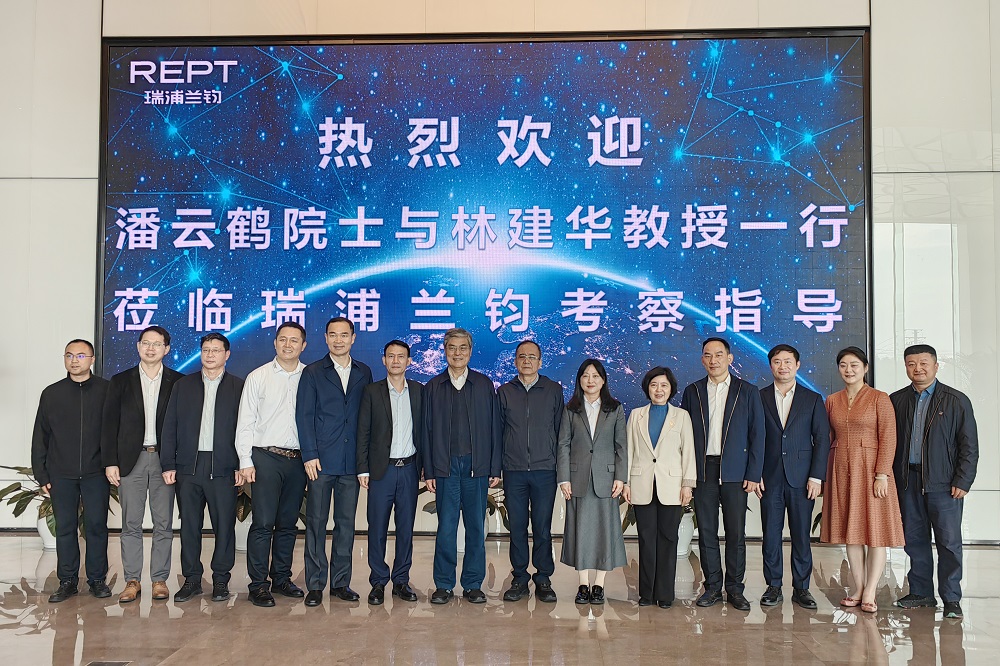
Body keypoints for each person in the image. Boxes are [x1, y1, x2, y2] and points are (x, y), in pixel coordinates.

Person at [890, 344, 978, 619]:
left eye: (924, 363)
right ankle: (921, 593)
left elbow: (969, 446)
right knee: (914, 540)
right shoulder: (897, 400)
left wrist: (963, 479)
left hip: (944, 484)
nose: (918, 368)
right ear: (906, 367)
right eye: (911, 364)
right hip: (908, 482)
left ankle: (951, 598)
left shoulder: (956, 400)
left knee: (949, 543)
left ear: (936, 366)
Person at [680, 337, 764, 611]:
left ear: (729, 358)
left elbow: (758, 435)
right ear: (702, 360)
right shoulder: (693, 392)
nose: (713, 360)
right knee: (706, 532)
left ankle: (735, 589)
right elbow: (685, 437)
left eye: (718, 355)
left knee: (735, 532)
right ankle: (713, 587)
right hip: (704, 469)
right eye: (708, 355)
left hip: (735, 471)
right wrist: (687, 476)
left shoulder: (747, 391)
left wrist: (754, 473)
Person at [101, 325, 183, 603]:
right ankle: (132, 580)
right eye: (146, 343)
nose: (150, 348)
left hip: (164, 461)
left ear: (166, 349)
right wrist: (110, 461)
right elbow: (109, 424)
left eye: (157, 344)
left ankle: (159, 579)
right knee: (131, 523)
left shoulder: (178, 381)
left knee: (163, 523)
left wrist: (176, 462)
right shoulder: (120, 381)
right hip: (130, 460)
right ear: (138, 346)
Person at [160, 333, 244, 603]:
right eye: (206, 350)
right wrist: (168, 464)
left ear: (227, 355)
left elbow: (246, 429)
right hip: (189, 467)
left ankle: (220, 580)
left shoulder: (239, 387)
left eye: (216, 350)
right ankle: (192, 580)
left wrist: (242, 464)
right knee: (189, 526)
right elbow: (169, 426)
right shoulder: (183, 385)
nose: (210, 355)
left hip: (224, 467)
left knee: (224, 526)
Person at [821, 346, 904, 613]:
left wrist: (882, 474)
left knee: (875, 533)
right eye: (843, 365)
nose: (849, 370)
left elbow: (888, 438)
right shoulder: (832, 400)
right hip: (841, 469)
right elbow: (828, 438)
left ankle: (870, 591)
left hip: (871, 471)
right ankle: (857, 588)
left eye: (854, 365)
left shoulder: (880, 398)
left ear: (865, 368)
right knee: (852, 532)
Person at [297, 317, 373, 606]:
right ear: (326, 338)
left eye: (344, 335)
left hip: (351, 462)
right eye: (333, 335)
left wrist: (364, 460)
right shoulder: (313, 372)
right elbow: (304, 416)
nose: (338, 340)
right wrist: (309, 454)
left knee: (346, 524)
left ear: (353, 338)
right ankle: (315, 585)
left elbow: (367, 417)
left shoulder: (364, 372)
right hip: (321, 461)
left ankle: (341, 582)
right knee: (316, 523)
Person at [423, 328, 502, 605]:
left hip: (475, 467)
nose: (457, 353)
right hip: (445, 467)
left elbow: (494, 428)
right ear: (445, 351)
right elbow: (426, 431)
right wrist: (429, 470)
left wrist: (494, 467)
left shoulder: (483, 384)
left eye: (463, 348)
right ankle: (444, 584)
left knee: (475, 528)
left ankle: (472, 584)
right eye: (452, 348)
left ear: (470, 351)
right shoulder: (434, 386)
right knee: (446, 527)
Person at [236, 321, 309, 608]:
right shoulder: (258, 376)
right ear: (275, 343)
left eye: (294, 340)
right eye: (283, 339)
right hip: (265, 458)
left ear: (303, 345)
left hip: (298, 460)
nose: (288, 345)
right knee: (263, 523)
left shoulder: (310, 376)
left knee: (288, 524)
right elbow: (246, 421)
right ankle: (258, 584)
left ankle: (281, 578)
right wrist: (245, 460)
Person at [32, 339, 111, 602]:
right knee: (65, 528)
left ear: (92, 359)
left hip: (96, 472)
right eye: (69, 355)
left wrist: (113, 464)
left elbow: (116, 432)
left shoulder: (106, 391)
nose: (74, 360)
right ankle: (67, 581)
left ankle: (97, 580)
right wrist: (42, 474)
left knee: (96, 526)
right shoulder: (52, 393)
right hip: (61, 473)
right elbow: (40, 436)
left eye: (80, 355)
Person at [757, 344, 830, 610]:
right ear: (771, 366)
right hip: (770, 478)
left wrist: (816, 477)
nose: (783, 366)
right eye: (777, 361)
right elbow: (754, 438)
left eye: (788, 361)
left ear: (797, 365)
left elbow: (822, 439)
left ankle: (802, 588)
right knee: (771, 535)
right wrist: (755, 473)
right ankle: (773, 586)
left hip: (802, 479)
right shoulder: (759, 397)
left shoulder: (812, 399)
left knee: (801, 535)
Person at [356, 340, 423, 605]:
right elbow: (363, 432)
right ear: (383, 360)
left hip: (409, 469)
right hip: (381, 471)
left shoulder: (418, 391)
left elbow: (425, 432)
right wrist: (362, 468)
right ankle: (378, 581)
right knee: (377, 528)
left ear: (409, 361)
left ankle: (401, 580)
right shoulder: (371, 392)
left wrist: (426, 469)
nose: (396, 361)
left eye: (401, 356)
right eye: (391, 356)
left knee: (406, 528)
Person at [498, 339, 564, 604]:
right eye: (522, 356)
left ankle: (543, 578)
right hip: (513, 470)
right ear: (515, 361)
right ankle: (519, 579)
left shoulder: (553, 390)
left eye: (532, 357)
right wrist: (497, 467)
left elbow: (560, 432)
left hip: (545, 469)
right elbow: (497, 432)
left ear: (540, 361)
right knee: (516, 527)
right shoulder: (504, 391)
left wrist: (561, 467)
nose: (527, 361)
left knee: (542, 527)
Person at [623, 366, 695, 608]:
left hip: (672, 485)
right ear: (647, 388)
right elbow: (629, 451)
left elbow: (688, 452)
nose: (659, 390)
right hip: (641, 483)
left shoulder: (681, 416)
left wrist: (688, 485)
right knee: (646, 538)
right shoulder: (636, 415)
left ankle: (664, 594)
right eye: (654, 385)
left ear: (671, 388)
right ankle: (646, 593)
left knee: (668, 538)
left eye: (664, 385)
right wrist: (626, 482)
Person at [557, 359, 627, 605]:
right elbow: (563, 445)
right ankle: (583, 584)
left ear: (603, 380)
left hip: (606, 479)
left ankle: (599, 585)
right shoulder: (571, 409)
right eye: (586, 375)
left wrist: (621, 477)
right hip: (578, 479)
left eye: (595, 376)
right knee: (581, 532)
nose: (590, 380)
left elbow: (621, 446)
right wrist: (564, 478)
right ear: (579, 380)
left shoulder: (615, 409)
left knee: (604, 532)